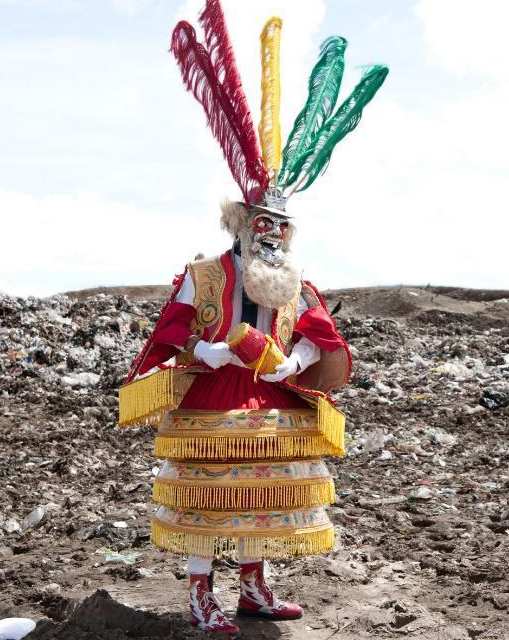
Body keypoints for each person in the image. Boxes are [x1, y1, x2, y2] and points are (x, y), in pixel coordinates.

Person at [118, 0, 387, 633]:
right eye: (263, 226)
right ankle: (199, 594)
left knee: (268, 497)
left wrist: (301, 358)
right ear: (242, 224)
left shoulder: (296, 281)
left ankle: (255, 588)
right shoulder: (205, 273)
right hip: (215, 394)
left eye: (281, 230)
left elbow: (323, 333)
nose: (272, 238)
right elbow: (172, 328)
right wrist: (200, 352)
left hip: (275, 397)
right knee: (205, 501)